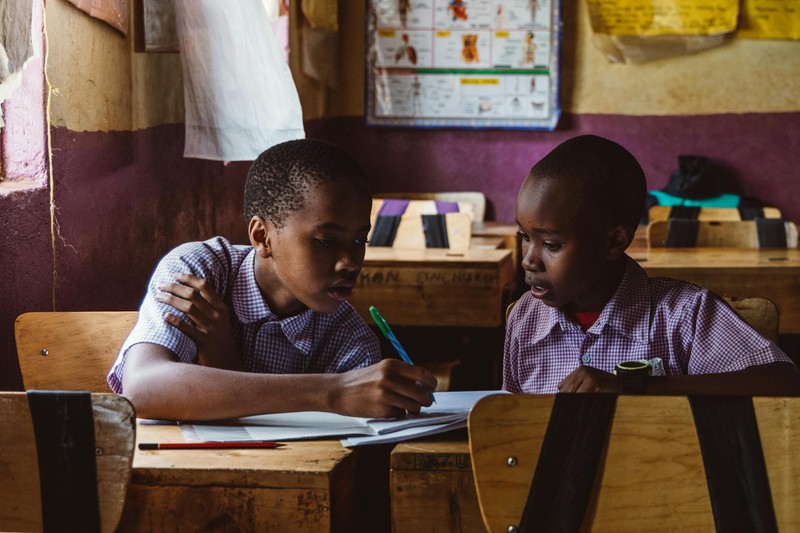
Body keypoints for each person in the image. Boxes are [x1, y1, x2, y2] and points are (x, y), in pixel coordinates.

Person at [108, 139, 437, 421]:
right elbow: (143, 388)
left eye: (359, 241)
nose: (349, 262)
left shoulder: (349, 339)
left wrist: (223, 357)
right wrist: (332, 392)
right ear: (262, 236)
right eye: (326, 241)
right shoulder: (200, 272)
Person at [504, 134, 800, 395]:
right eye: (524, 236)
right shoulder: (524, 319)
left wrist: (637, 388)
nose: (529, 260)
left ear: (614, 242)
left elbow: (784, 382)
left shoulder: (683, 315)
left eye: (552, 245)